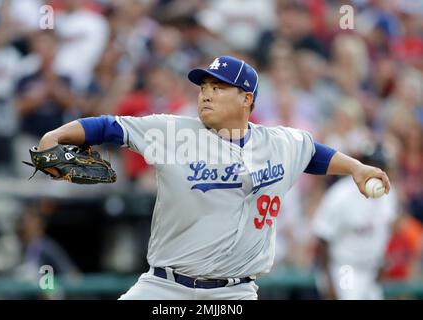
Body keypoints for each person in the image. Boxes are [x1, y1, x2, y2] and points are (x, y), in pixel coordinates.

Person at [34, 55, 390, 300]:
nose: (206, 93)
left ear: (246, 98)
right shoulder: (173, 132)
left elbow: (314, 153)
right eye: (203, 86)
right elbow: (108, 127)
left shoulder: (280, 142)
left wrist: (356, 168)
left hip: (233, 293)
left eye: (218, 87)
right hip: (165, 288)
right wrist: (55, 137)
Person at [312, 142, 398, 300]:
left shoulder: (388, 195)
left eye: (381, 165)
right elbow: (322, 239)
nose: (377, 169)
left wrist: (380, 262)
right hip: (345, 269)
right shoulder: (340, 195)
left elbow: (385, 229)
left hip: (370, 269)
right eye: (373, 163)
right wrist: (328, 282)